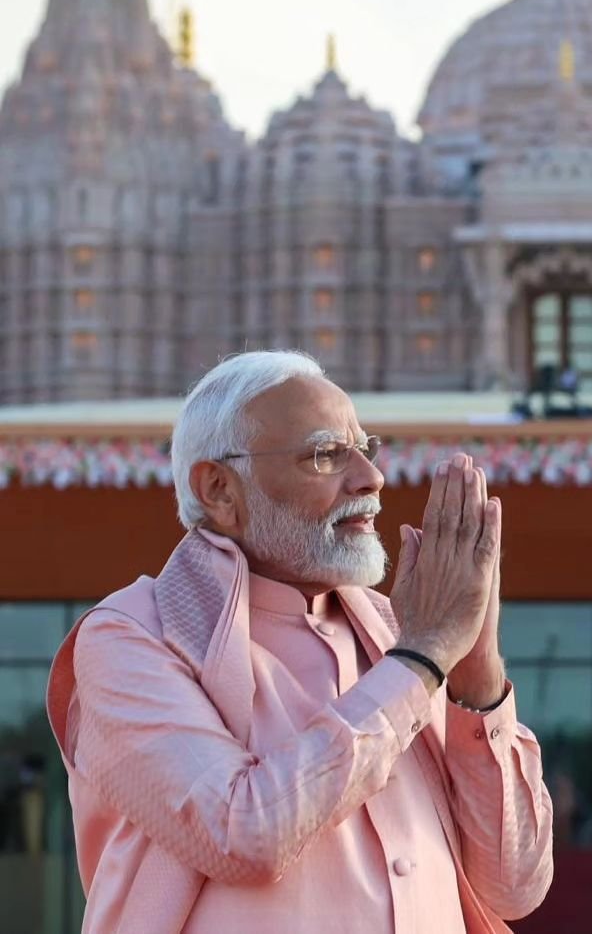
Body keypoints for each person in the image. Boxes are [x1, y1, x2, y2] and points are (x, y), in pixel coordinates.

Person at [46, 351, 553, 933]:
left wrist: (475, 670)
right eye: (326, 455)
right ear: (219, 489)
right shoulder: (132, 638)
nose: (370, 478)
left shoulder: (398, 635)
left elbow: (514, 887)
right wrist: (422, 660)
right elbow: (242, 835)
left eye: (367, 449)